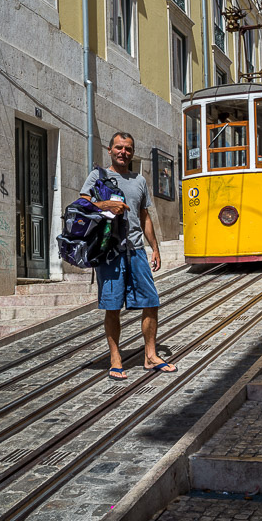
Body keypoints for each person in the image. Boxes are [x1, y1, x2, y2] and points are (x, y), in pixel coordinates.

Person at [80, 132, 177, 380]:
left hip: (135, 250)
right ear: (110, 150)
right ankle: (115, 358)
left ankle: (150, 355)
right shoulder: (98, 176)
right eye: (119, 148)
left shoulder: (139, 181)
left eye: (128, 149)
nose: (124, 152)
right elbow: (82, 205)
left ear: (133, 153)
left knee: (151, 301)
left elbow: (144, 216)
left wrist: (154, 247)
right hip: (108, 251)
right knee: (112, 307)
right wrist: (105, 206)